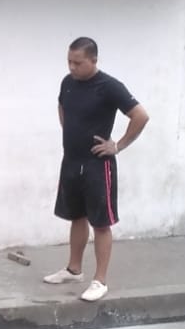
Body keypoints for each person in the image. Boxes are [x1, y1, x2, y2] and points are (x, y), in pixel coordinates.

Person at [44, 37, 149, 302]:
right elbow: (62, 106)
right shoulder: (68, 83)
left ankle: (100, 280)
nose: (72, 67)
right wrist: (70, 131)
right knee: (76, 216)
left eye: (78, 63)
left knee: (100, 223)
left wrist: (118, 146)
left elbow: (140, 116)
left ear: (93, 60)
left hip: (97, 165)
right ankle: (73, 270)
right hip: (71, 161)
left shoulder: (109, 86)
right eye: (69, 61)